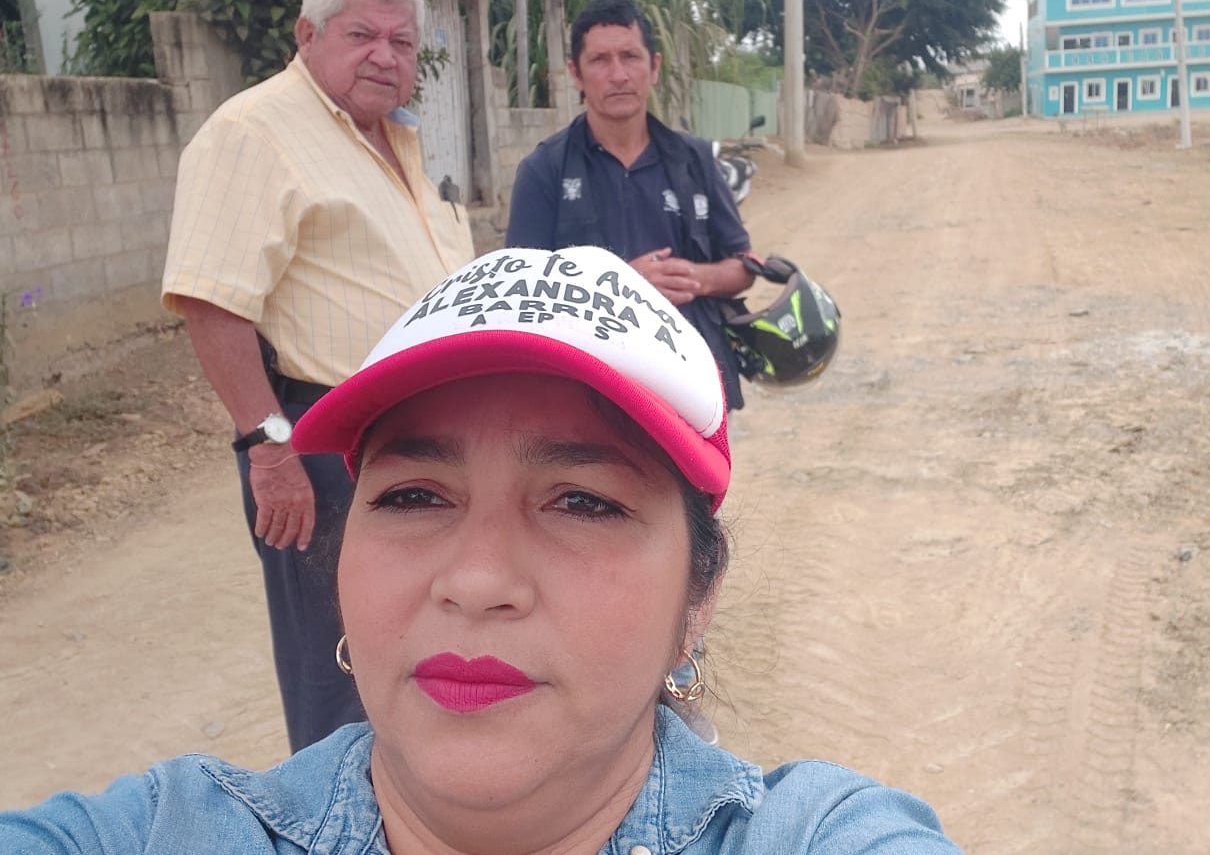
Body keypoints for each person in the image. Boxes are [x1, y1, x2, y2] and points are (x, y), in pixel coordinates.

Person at [0, 244, 963, 854]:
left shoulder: (817, 835)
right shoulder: (172, 831)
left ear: (697, 597)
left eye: (582, 502)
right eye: (414, 495)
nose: (475, 580)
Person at [160, 0, 475, 753]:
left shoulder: (398, 140)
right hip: (325, 448)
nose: (384, 56)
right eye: (361, 34)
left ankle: (423, 807)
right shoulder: (254, 133)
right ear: (308, 34)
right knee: (339, 670)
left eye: (401, 42)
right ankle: (340, 816)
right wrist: (270, 449)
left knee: (423, 651)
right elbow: (212, 302)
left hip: (426, 442)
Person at [506, 0, 757, 412]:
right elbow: (520, 295)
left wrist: (694, 277)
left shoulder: (696, 161)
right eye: (600, 60)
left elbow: (743, 266)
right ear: (575, 73)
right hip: (589, 395)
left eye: (630, 57)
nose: (618, 75)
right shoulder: (543, 170)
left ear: (654, 67)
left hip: (694, 387)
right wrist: (622, 286)